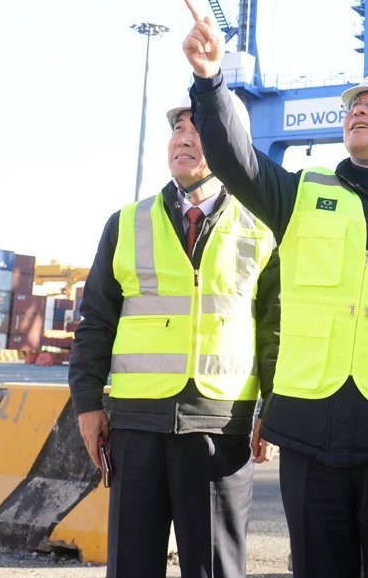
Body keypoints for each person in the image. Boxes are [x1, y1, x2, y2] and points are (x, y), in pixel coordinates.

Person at [182, 0, 368, 578]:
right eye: (355, 102)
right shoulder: (301, 194)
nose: (359, 108)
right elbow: (235, 159)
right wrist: (210, 82)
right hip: (311, 434)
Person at [68, 94, 280, 578]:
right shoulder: (126, 223)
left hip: (220, 425)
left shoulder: (262, 226)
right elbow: (96, 319)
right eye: (178, 129)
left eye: (197, 128)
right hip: (135, 425)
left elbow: (277, 327)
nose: (182, 138)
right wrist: (87, 403)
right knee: (131, 566)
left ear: (231, 144)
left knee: (214, 569)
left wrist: (274, 409)